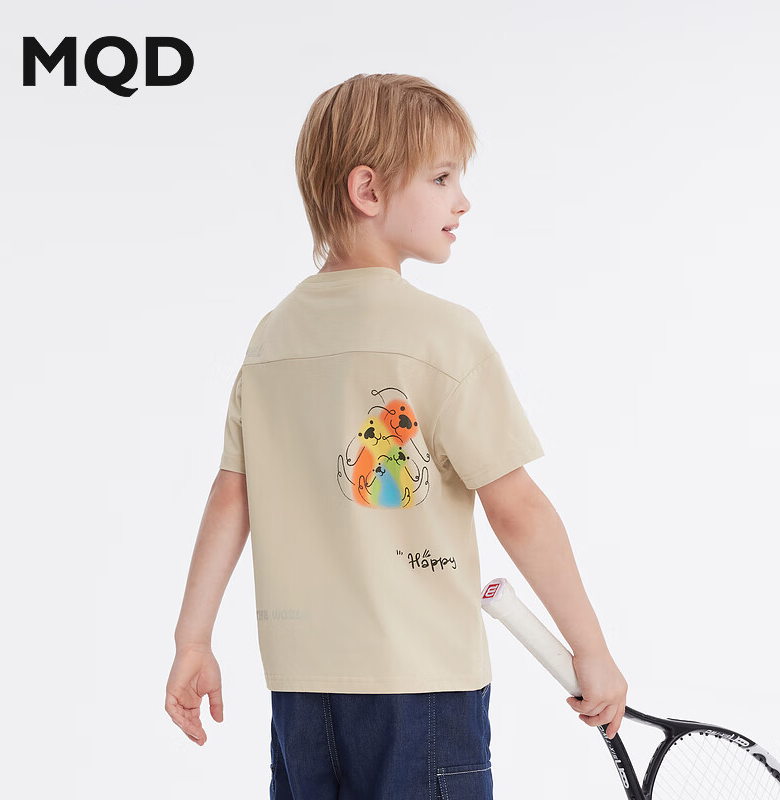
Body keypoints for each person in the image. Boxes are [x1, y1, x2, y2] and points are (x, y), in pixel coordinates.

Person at [165, 72, 628, 799]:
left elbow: (232, 496)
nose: (463, 200)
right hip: (422, 686)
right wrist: (591, 650)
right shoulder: (442, 336)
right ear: (368, 191)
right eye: (442, 178)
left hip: (302, 690)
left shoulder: (272, 338)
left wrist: (192, 640)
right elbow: (518, 508)